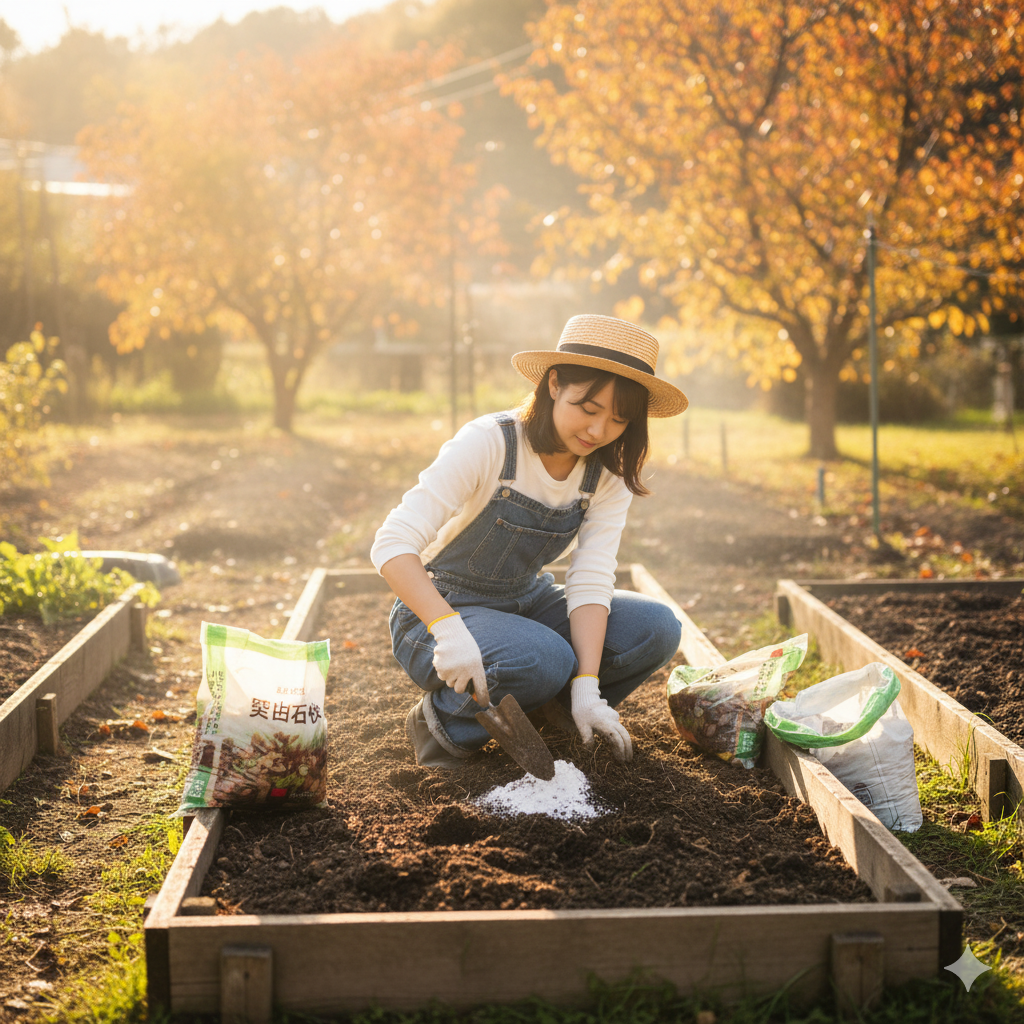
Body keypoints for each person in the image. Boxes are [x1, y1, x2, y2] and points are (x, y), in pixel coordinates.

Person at [371, 314, 687, 769]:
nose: (598, 431)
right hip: (438, 610)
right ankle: (441, 724)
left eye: (619, 420)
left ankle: (555, 712)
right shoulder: (490, 443)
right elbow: (392, 543)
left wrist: (587, 687)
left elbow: (591, 578)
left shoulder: (606, 476)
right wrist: (448, 628)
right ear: (554, 384)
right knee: (544, 658)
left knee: (657, 627)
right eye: (588, 408)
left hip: (526, 601)